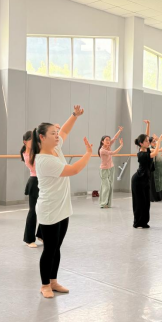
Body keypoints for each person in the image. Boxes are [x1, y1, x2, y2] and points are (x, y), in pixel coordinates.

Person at [30, 106, 92, 299]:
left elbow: (64, 130)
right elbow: (73, 170)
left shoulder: (55, 148)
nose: (57, 135)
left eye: (56, 133)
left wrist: (74, 116)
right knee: (49, 249)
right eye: (52, 133)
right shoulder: (44, 160)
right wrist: (88, 154)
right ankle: (44, 285)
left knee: (56, 247)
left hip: (62, 207)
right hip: (49, 210)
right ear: (42, 137)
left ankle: (53, 281)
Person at [132, 120, 162, 229]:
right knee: (139, 202)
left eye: (148, 140)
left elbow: (147, 135)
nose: (148, 142)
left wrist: (148, 125)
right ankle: (137, 222)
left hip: (145, 179)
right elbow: (156, 152)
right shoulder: (142, 154)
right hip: (138, 180)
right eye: (146, 141)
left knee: (146, 202)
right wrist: (158, 142)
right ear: (141, 144)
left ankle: (144, 222)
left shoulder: (147, 150)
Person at [21, 131, 42, 248]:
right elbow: (35, 167)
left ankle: (41, 235)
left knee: (45, 209)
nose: (34, 142)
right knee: (33, 211)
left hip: (43, 181)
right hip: (35, 182)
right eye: (31, 140)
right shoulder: (26, 154)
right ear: (25, 142)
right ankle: (29, 239)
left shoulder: (37, 150)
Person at [98, 127, 124, 209]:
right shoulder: (102, 150)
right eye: (106, 140)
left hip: (111, 168)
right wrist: (121, 145)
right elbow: (113, 153)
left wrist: (120, 130)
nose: (108, 141)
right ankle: (103, 203)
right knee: (106, 186)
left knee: (110, 186)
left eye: (109, 140)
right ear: (102, 141)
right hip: (104, 170)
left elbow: (115, 138)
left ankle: (108, 204)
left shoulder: (109, 145)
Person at [150, 130, 162, 203]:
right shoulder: (150, 149)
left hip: (159, 166)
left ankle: (160, 196)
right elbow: (160, 149)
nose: (155, 142)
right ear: (150, 143)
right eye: (153, 141)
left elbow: (160, 139)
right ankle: (155, 196)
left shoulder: (155, 147)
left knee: (161, 180)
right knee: (156, 181)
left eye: (155, 141)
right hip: (154, 167)